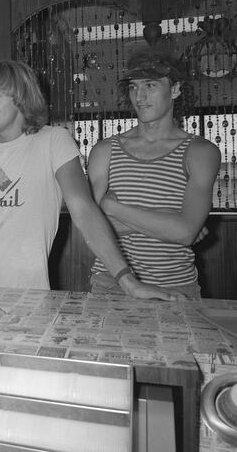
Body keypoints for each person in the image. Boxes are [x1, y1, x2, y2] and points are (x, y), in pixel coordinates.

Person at [0, 60, 176, 301]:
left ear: (21, 97)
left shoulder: (53, 141)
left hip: (28, 295)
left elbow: (84, 211)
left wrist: (127, 281)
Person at [87, 50, 220, 298]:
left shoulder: (201, 152)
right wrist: (169, 220)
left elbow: (184, 233)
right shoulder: (105, 150)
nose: (140, 96)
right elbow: (88, 226)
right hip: (110, 284)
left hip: (175, 288)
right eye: (134, 87)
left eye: (150, 85)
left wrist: (110, 207)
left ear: (176, 90)